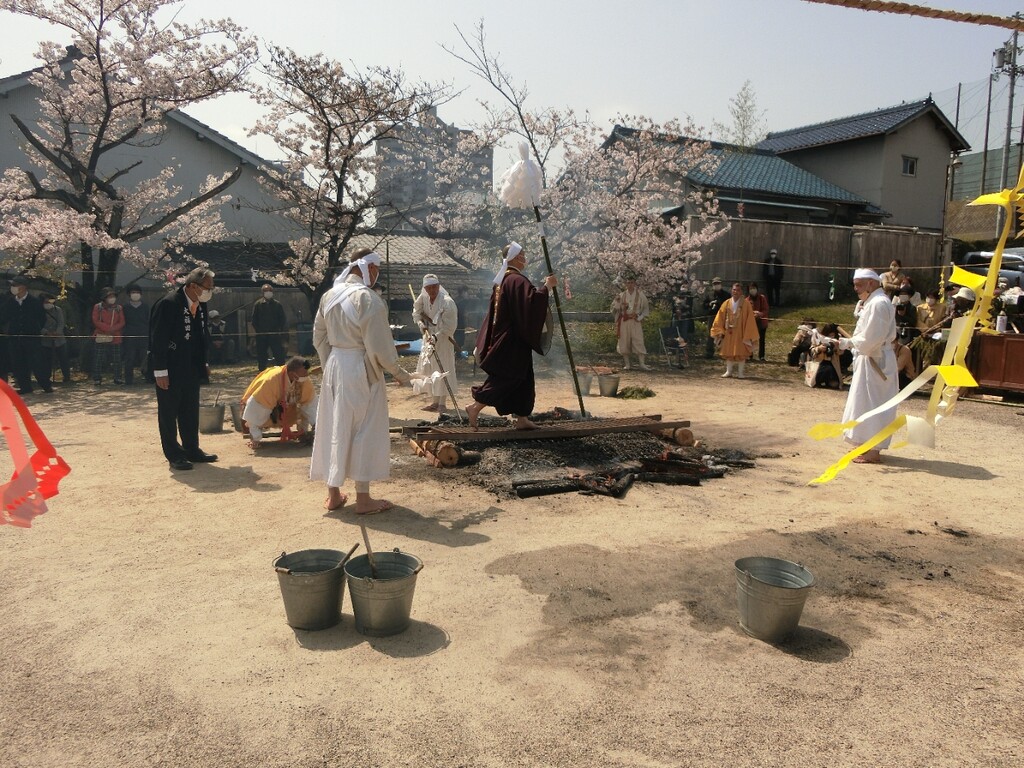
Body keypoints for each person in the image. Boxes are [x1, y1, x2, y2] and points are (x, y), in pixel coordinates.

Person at [310, 248, 411, 515]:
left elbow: (318, 337)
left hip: (335, 365)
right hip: (359, 367)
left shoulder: (329, 296)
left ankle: (333, 494)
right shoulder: (368, 299)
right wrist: (398, 373)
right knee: (363, 427)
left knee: (333, 424)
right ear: (371, 268)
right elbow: (379, 345)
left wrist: (329, 364)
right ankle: (363, 499)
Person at [467, 242, 556, 430]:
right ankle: (475, 406)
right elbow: (531, 303)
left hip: (510, 339)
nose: (525, 258)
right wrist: (547, 287)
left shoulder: (503, 281)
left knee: (523, 379)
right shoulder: (516, 280)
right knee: (509, 377)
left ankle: (522, 418)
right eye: (522, 255)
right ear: (514, 258)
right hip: (512, 340)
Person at [149, 267, 218, 471]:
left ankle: (192, 449)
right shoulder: (169, 304)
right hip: (170, 366)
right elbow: (158, 339)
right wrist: (160, 370)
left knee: (190, 409)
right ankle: (174, 454)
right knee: (169, 412)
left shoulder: (201, 305)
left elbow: (202, 337)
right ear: (193, 286)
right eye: (208, 287)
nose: (210, 292)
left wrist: (204, 362)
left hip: (192, 366)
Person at [835, 269, 898, 464]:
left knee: (874, 404)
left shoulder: (879, 303)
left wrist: (846, 343)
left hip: (876, 360)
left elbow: (872, 338)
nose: (856, 289)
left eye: (859, 285)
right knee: (862, 402)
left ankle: (873, 450)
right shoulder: (871, 302)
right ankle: (864, 444)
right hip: (868, 359)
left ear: (871, 283)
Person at [241, 356, 317, 448]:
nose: (306, 375)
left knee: (304, 407)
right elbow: (256, 409)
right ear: (292, 374)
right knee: (258, 413)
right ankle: (255, 438)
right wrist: (255, 437)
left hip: (288, 411)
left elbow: (309, 404)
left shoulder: (304, 379)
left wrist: (316, 424)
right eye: (304, 373)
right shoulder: (271, 380)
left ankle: (302, 433)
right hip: (270, 410)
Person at [412, 273, 458, 412]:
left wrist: (436, 337)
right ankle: (435, 401)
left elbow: (450, 326)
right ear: (425, 288)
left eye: (434, 287)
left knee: (443, 368)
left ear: (438, 286)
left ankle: (442, 403)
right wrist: (421, 324)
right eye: (429, 288)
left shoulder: (447, 302)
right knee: (431, 369)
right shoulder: (423, 298)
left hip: (443, 338)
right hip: (428, 337)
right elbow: (416, 312)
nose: (432, 290)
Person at [8, 276, 52, 394]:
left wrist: (35, 329)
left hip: (31, 337)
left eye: (15, 285)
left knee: (37, 362)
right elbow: (5, 316)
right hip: (15, 337)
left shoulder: (34, 301)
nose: (13, 287)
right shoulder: (11, 301)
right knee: (19, 363)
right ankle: (25, 387)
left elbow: (42, 318)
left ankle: (46, 385)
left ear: (23, 287)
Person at [710, 282, 759, 379]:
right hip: (729, 331)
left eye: (738, 290)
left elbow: (750, 319)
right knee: (728, 351)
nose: (735, 292)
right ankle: (729, 371)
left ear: (741, 292)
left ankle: (740, 373)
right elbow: (720, 316)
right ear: (731, 291)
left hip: (741, 332)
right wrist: (720, 330)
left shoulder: (746, 304)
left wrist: (748, 332)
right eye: (734, 290)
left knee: (741, 352)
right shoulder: (726, 303)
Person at [611, 274, 651, 370]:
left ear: (635, 284)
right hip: (624, 321)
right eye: (628, 283)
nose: (630, 284)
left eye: (632, 283)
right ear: (625, 284)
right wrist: (617, 302)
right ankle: (627, 364)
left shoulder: (640, 295)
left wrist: (640, 318)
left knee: (638, 340)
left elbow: (646, 309)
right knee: (624, 340)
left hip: (635, 320)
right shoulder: (621, 295)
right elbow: (615, 309)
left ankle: (642, 364)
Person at [92, 287, 125, 385]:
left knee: (117, 358)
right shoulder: (98, 307)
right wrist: (107, 328)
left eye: (113, 296)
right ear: (104, 298)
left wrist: (113, 329)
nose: (112, 298)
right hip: (101, 334)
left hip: (116, 335)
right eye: (109, 296)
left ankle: (118, 377)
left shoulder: (119, 308)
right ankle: (97, 378)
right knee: (98, 358)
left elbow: (122, 322)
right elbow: (95, 320)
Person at [251, 283, 288, 371]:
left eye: (270, 291)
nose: (268, 292)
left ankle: (282, 372)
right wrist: (259, 331)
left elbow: (282, 319)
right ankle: (262, 372)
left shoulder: (277, 304)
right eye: (266, 291)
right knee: (261, 356)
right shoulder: (258, 304)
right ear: (262, 293)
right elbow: (254, 320)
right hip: (262, 335)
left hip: (275, 334)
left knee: (279, 355)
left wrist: (279, 331)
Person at [40, 293, 71, 384]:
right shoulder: (39, 311)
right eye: (45, 302)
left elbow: (61, 323)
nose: (48, 303)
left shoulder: (58, 310)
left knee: (63, 358)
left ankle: (67, 377)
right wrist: (46, 332)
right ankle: (46, 378)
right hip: (45, 340)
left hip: (59, 339)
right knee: (47, 360)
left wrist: (57, 332)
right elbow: (38, 324)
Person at [122, 286, 149, 385]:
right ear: (129, 294)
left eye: (137, 292)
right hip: (130, 335)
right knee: (130, 358)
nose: (135, 294)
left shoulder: (145, 307)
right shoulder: (125, 307)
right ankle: (128, 380)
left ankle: (148, 377)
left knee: (145, 358)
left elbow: (148, 320)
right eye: (133, 292)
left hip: (144, 335)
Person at [703, 277, 731, 359]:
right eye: (715, 284)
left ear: (721, 284)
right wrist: (709, 304)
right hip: (712, 316)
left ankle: (724, 352)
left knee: (724, 334)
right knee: (711, 334)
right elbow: (704, 305)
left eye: (718, 283)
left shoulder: (726, 295)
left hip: (723, 316)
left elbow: (730, 305)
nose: (716, 285)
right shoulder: (710, 294)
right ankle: (709, 352)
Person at [746, 281, 770, 361]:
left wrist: (760, 314)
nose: (752, 290)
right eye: (751, 288)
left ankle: (761, 356)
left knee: (762, 340)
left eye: (754, 288)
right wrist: (753, 314)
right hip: (751, 323)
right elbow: (746, 311)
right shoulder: (747, 300)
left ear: (757, 289)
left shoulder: (762, 298)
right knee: (750, 339)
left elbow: (766, 309)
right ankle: (750, 354)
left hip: (761, 322)